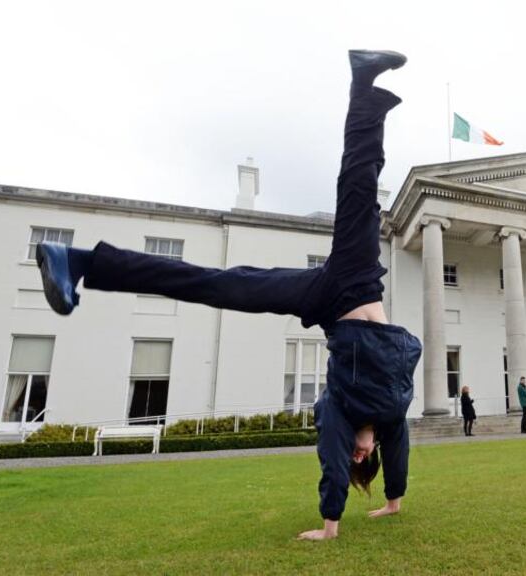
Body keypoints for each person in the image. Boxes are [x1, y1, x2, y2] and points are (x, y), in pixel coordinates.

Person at [34, 50, 420, 540]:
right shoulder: (391, 416)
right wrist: (393, 501)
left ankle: (82, 262)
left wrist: (330, 525)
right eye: (363, 457)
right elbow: (400, 458)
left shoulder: (339, 412)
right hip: (357, 279)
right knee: (359, 187)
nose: (357, 452)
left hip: (328, 301)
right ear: (377, 453)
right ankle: (365, 87)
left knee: (216, 285)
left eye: (355, 456)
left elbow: (330, 452)